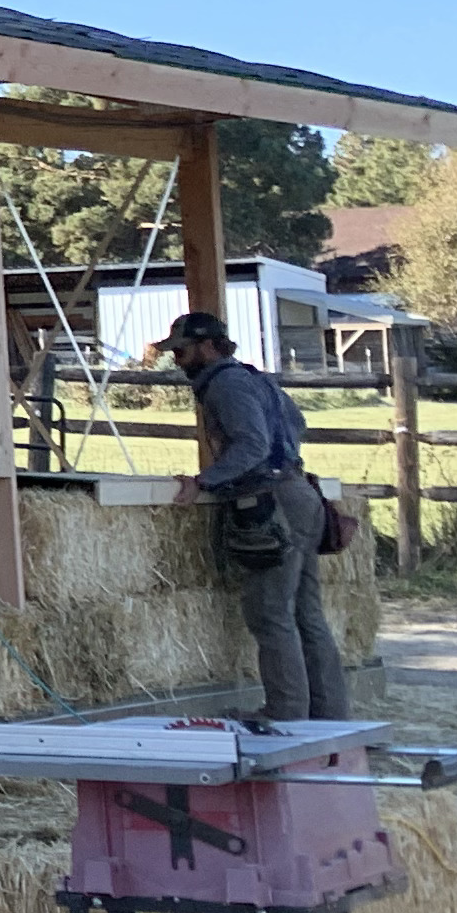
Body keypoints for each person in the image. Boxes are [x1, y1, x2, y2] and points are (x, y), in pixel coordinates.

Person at [162, 309, 345, 727]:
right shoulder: (255, 377)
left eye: (184, 351)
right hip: (300, 492)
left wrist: (205, 481)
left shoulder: (223, 385)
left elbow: (252, 447)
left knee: (270, 613)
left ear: (208, 346)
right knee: (306, 612)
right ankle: (331, 716)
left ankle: (286, 715)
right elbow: (297, 423)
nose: (179, 361)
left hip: (271, 500)